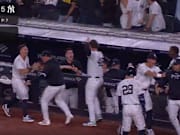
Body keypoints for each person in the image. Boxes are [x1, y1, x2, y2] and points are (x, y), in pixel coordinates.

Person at [2, 44, 39, 122]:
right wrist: (32, 68)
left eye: (27, 49)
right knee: (25, 96)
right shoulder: (18, 60)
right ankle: (25, 116)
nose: (26, 51)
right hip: (17, 80)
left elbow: (27, 69)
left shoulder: (27, 58)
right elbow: (22, 72)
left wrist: (34, 69)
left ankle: (6, 105)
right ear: (20, 51)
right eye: (24, 49)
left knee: (19, 97)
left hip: (22, 79)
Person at [38, 50, 73, 126]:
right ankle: (69, 114)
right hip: (62, 85)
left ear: (47, 57)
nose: (42, 58)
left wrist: (37, 76)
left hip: (54, 86)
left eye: (43, 57)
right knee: (58, 100)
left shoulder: (48, 64)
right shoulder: (55, 61)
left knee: (43, 101)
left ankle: (46, 120)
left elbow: (43, 75)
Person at [135, 53, 163, 135]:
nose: (153, 61)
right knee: (136, 110)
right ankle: (125, 127)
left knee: (149, 111)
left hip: (145, 92)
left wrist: (159, 85)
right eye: (152, 59)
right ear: (148, 59)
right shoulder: (141, 66)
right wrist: (159, 75)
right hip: (136, 91)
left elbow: (163, 75)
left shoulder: (155, 67)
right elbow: (149, 73)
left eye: (154, 60)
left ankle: (149, 129)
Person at [116, 66, 146, 135]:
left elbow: (119, 99)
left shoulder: (121, 83)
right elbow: (141, 97)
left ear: (126, 74)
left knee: (126, 129)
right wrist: (143, 109)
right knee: (141, 128)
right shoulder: (138, 82)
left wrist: (120, 110)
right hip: (136, 107)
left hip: (126, 107)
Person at [156, 58, 180, 135]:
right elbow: (162, 81)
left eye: (176, 65)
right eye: (174, 65)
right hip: (172, 99)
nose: (174, 66)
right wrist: (159, 87)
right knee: (172, 117)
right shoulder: (169, 73)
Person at [82, 39, 104, 127]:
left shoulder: (94, 54)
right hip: (100, 79)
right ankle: (98, 115)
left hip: (93, 79)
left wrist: (86, 43)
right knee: (94, 97)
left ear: (91, 47)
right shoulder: (100, 53)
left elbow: (87, 52)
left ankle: (92, 121)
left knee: (89, 101)